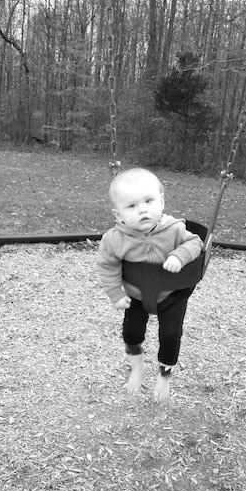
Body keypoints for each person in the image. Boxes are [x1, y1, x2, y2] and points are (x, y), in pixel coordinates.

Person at [97, 168, 203, 402]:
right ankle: (137, 368)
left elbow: (196, 243)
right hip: (136, 296)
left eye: (148, 201)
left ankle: (164, 377)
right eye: (131, 206)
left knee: (171, 335)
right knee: (131, 334)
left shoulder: (174, 229)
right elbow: (107, 266)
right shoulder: (114, 239)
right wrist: (115, 294)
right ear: (118, 215)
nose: (142, 209)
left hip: (171, 295)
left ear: (161, 202)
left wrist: (179, 255)